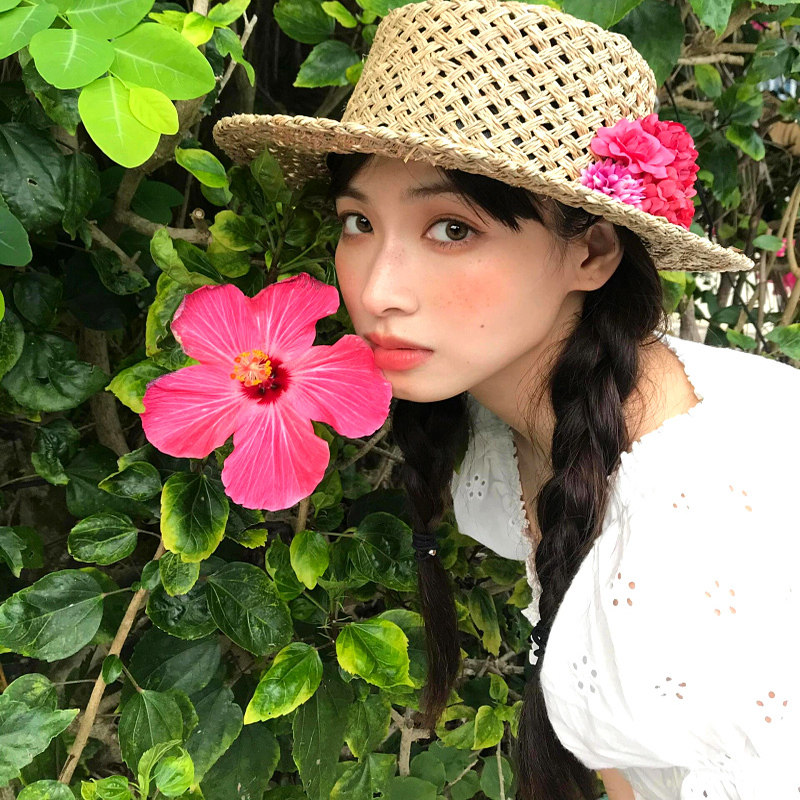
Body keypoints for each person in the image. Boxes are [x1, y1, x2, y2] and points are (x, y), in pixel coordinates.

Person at [212, 1, 800, 798]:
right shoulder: (554, 418)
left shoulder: (702, 528)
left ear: (593, 252)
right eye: (357, 222)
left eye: (452, 229)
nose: (378, 291)